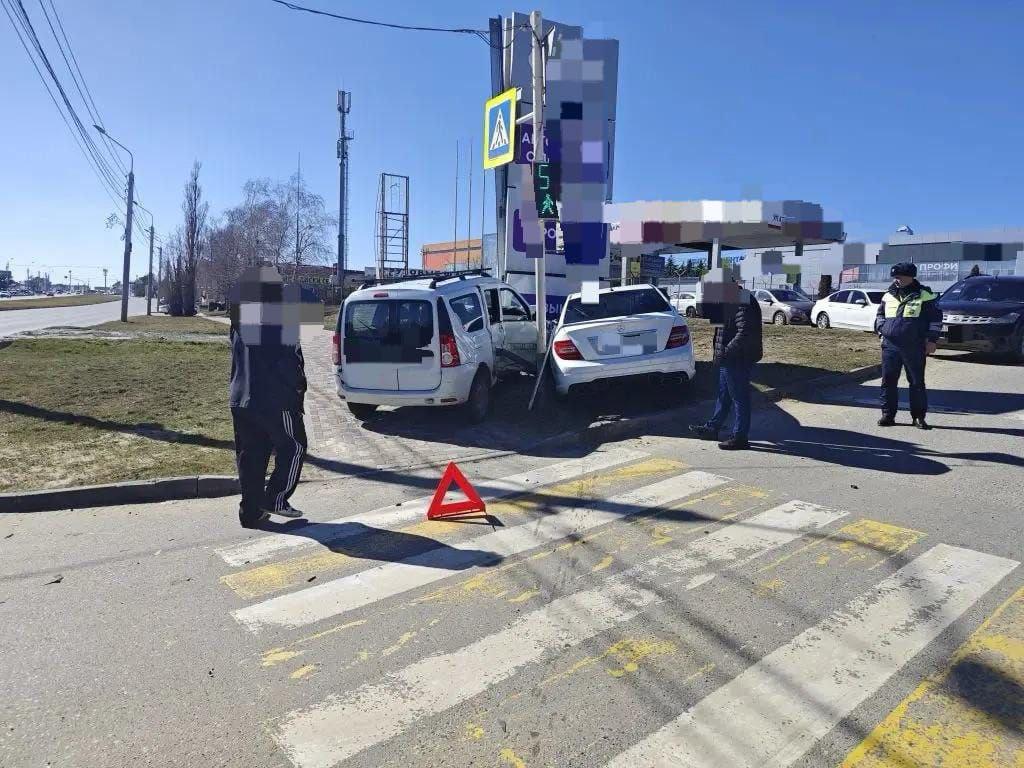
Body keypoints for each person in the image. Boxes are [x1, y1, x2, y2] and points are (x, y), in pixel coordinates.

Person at [229, 267, 308, 528]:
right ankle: (276, 498)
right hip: (275, 398)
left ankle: (251, 512)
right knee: (294, 446)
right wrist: (297, 391)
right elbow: (291, 360)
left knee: (251, 455)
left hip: (241, 397)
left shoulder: (239, 319)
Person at [689, 282, 764, 450]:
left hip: (737, 358)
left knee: (739, 398)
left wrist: (726, 351)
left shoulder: (742, 300)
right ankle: (712, 428)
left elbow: (744, 332)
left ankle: (740, 437)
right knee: (724, 396)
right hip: (728, 358)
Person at [874, 262, 942, 430]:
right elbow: (880, 315)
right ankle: (888, 415)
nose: (896, 280)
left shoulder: (925, 295)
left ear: (910, 276)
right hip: (890, 345)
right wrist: (882, 332)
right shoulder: (888, 295)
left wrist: (932, 340)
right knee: (888, 381)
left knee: (917, 382)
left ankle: (918, 417)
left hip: (914, 346)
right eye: (894, 277)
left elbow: (935, 319)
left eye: (899, 277)